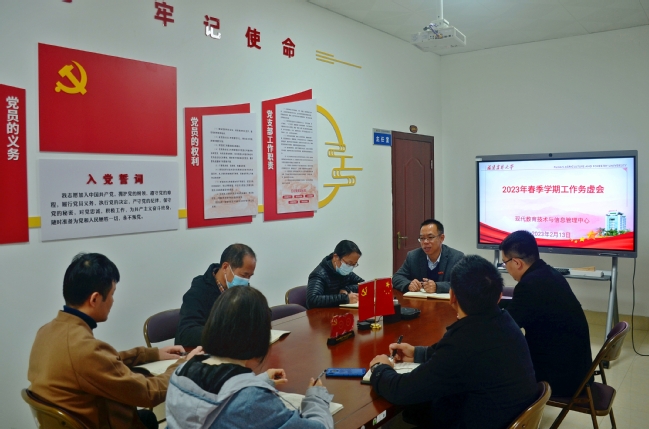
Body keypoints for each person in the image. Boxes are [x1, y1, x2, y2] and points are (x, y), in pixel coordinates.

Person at [27, 253, 202, 429]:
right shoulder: (84, 349)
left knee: (147, 418)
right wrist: (183, 365)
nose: (112, 301)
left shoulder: (47, 331)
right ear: (95, 299)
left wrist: (152, 354)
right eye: (112, 294)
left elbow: (101, 361)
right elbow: (148, 393)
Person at [369, 255, 537, 429]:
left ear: (452, 296)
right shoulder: (504, 322)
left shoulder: (464, 342)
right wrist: (417, 353)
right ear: (499, 296)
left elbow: (401, 391)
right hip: (502, 415)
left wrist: (380, 368)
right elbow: (455, 359)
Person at [166, 286, 334, 429]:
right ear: (258, 338)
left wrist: (260, 381)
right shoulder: (252, 401)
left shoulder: (181, 372)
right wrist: (316, 397)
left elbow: (215, 395)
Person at [500, 230, 592, 397]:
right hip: (578, 369)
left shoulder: (529, 285)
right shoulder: (549, 273)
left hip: (561, 378)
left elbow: (506, 328)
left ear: (517, 262)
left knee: (495, 365)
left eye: (505, 263)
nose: (505, 268)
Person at [176, 243, 256, 347]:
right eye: (244, 275)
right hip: (206, 351)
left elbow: (261, 311)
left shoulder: (241, 287)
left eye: (250, 276)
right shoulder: (198, 292)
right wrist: (227, 334)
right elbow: (186, 333)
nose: (246, 281)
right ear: (225, 267)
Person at [392, 219, 464, 293]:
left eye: (430, 237)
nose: (425, 242)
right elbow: (397, 277)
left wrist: (437, 287)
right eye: (422, 238)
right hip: (419, 300)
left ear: (441, 238)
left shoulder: (457, 257)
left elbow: (462, 284)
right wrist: (408, 284)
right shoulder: (413, 256)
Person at [306, 240, 364, 309]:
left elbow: (363, 285)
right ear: (336, 257)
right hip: (322, 314)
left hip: (341, 312)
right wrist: (345, 298)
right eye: (349, 263)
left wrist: (346, 289)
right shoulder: (319, 274)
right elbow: (312, 300)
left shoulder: (345, 272)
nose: (350, 267)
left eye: (354, 264)